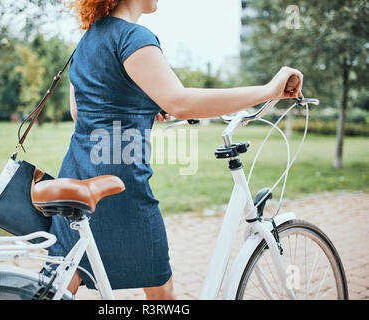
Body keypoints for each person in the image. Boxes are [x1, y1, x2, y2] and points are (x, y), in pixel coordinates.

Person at [48, 0, 303, 300]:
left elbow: (81, 111)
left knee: (67, 279)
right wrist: (268, 90)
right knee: (161, 290)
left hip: (77, 173)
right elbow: (181, 102)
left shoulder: (87, 40)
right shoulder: (134, 38)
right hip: (120, 186)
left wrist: (142, 106)